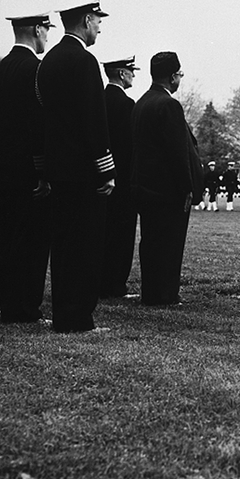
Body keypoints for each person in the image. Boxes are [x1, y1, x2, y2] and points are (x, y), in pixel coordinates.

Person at [36, 0, 114, 333]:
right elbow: (94, 120)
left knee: (64, 245)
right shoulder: (84, 61)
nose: (99, 26)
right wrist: (105, 169)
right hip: (84, 171)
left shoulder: (48, 61)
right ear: (85, 20)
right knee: (85, 245)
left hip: (58, 168)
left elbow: (41, 118)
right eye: (97, 20)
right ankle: (79, 317)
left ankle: (63, 313)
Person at [0, 13, 54, 323]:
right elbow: (40, 124)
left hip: (4, 166)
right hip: (29, 168)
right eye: (46, 31)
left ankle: (10, 304)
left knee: (8, 237)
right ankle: (27, 307)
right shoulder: (36, 70)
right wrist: (42, 170)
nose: (47, 37)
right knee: (33, 240)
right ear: (37, 29)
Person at [130, 51, 203, 306]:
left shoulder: (141, 103)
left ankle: (151, 292)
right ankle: (165, 294)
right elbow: (177, 152)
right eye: (180, 74)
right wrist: (187, 187)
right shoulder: (169, 105)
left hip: (144, 186)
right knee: (170, 244)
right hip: (167, 190)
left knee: (150, 243)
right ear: (173, 76)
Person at [101, 56, 139, 299]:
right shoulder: (126, 104)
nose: (133, 75)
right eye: (131, 71)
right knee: (122, 235)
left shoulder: (99, 99)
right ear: (122, 74)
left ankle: (101, 281)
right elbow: (129, 146)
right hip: (122, 178)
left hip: (101, 176)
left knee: (102, 234)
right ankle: (116, 285)